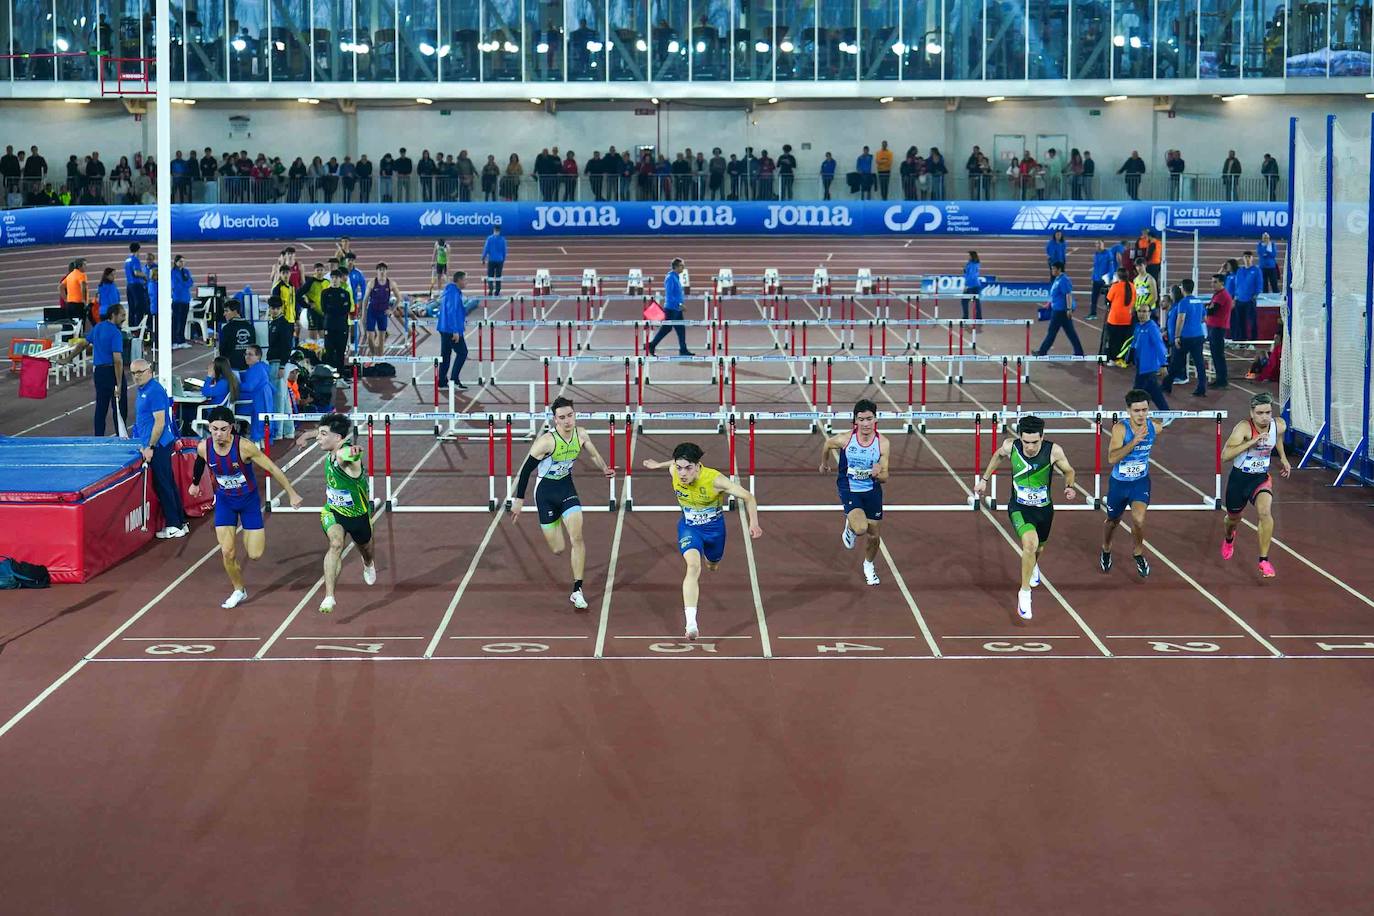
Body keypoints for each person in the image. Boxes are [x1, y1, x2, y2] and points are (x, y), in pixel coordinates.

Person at [642, 442, 762, 640]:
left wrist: (754, 523)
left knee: (712, 564)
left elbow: (749, 497)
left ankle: (712, 562)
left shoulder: (715, 480)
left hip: (715, 531)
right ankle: (691, 624)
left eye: (688, 468)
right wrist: (658, 465)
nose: (682, 473)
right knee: (693, 567)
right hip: (689, 528)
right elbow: (672, 464)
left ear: (698, 466)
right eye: (679, 468)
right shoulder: (674, 470)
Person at [189, 406, 302, 609]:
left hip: (248, 502)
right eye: (214, 429)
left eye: (223, 429)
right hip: (225, 501)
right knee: (227, 552)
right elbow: (200, 462)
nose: (218, 434)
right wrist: (195, 483)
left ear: (231, 428)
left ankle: (248, 533)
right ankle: (238, 589)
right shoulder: (203, 447)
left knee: (255, 554)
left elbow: (273, 468)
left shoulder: (245, 447)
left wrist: (291, 493)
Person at [508, 397, 616, 610]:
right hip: (545, 494)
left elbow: (593, 454)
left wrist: (604, 468)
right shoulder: (546, 442)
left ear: (575, 414)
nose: (567, 421)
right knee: (558, 548)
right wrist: (518, 501)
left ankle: (577, 590)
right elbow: (525, 471)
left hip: (566, 489)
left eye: (570, 416)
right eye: (562, 417)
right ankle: (555, 520)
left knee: (577, 537)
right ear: (554, 419)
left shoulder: (581, 434)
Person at [973, 415, 1077, 623]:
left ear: (1043, 437)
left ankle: (1033, 566)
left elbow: (1069, 470)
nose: (1029, 447)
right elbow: (998, 455)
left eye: (1034, 442)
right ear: (1019, 437)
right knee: (1030, 545)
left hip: (1044, 510)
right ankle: (1025, 593)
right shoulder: (1011, 446)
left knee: (1037, 550)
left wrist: (1069, 486)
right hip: (1019, 507)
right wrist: (984, 479)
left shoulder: (1053, 451)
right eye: (1025, 442)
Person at [1219, 393, 1291, 578]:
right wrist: (1252, 442)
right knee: (1232, 519)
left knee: (1265, 513)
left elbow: (1278, 438)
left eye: (1268, 412)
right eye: (1260, 413)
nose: (1265, 417)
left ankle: (1264, 560)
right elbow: (1225, 456)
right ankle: (1229, 538)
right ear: (1252, 413)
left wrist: (1283, 458)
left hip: (1260, 478)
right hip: (1239, 479)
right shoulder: (1243, 428)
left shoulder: (1278, 425)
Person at [819, 399, 889, 587]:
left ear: (875, 419)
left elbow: (885, 476)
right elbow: (827, 444)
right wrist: (824, 463)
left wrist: (878, 473)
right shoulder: (845, 439)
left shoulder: (882, 443)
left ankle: (868, 565)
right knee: (861, 529)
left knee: (874, 535)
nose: (866, 423)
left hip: (872, 490)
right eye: (861, 419)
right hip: (849, 488)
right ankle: (850, 526)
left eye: (869, 419)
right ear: (855, 421)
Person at [315, 413, 378, 613]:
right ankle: (329, 597)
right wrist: (307, 435)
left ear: (338, 438)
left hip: (358, 516)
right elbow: (323, 438)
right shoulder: (331, 445)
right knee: (335, 544)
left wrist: (354, 452)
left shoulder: (345, 456)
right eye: (319, 434)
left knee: (366, 549)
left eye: (323, 434)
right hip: (333, 511)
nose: (319, 438)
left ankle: (368, 564)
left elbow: (347, 455)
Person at [1100, 390, 1163, 578]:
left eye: (1144, 410)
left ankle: (1138, 553)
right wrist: (1134, 442)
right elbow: (1112, 458)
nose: (1141, 414)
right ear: (1128, 411)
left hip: (1140, 482)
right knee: (1113, 521)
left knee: (1139, 519)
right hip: (1119, 484)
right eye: (1137, 411)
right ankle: (1106, 548)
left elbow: (1162, 426)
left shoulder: (1154, 427)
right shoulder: (1120, 429)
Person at [129, 359, 188, 539]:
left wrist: (150, 447)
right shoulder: (144, 390)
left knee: (163, 484)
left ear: (150, 371)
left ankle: (174, 525)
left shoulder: (153, 391)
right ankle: (180, 522)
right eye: (133, 373)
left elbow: (160, 423)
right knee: (167, 482)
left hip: (158, 444)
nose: (136, 376)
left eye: (140, 372)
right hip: (157, 443)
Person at [1163, 279, 1208, 398]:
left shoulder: (1183, 302)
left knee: (1176, 362)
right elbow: (1204, 319)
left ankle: (1166, 385)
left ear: (1183, 288)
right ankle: (1202, 388)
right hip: (1198, 335)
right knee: (1199, 363)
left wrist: (1177, 336)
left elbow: (1180, 319)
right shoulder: (1199, 301)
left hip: (1186, 337)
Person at [436, 268, 479, 390]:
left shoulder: (449, 290)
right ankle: (454, 380)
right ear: (459, 280)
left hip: (444, 327)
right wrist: (455, 330)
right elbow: (451, 312)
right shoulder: (453, 293)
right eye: (465, 280)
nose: (467, 282)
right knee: (462, 352)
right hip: (450, 329)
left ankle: (442, 381)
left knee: (445, 355)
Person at [90, 303, 127, 436]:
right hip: (112, 373)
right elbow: (117, 359)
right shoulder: (115, 333)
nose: (124, 318)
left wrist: (68, 358)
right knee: (119, 407)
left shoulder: (98, 327)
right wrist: (119, 384)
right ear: (113, 315)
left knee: (101, 408)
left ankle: (98, 438)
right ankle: (121, 437)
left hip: (99, 373)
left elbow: (84, 343)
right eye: (122, 315)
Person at [1034, 262, 1084, 357]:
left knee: (1052, 331)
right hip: (1058, 309)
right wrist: (1049, 304)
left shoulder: (1064, 280)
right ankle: (1079, 352)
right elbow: (1055, 295)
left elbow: (1068, 295)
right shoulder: (1057, 279)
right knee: (1070, 332)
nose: (1052, 271)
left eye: (1054, 269)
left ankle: (1042, 351)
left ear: (1059, 269)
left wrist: (1069, 309)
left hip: (1061, 311)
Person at [647, 257, 694, 357]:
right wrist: (680, 305)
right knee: (666, 329)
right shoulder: (670, 278)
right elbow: (669, 295)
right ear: (676, 266)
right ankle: (652, 345)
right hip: (671, 309)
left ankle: (683, 349)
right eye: (682, 265)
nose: (683, 267)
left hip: (676, 309)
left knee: (680, 329)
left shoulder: (676, 276)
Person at [1130, 302, 1170, 410]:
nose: (1141, 314)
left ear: (1149, 313)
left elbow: (1160, 346)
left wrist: (1163, 364)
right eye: (1139, 311)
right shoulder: (1138, 327)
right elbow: (1135, 343)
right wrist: (1129, 357)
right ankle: (1166, 413)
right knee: (1154, 392)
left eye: (1144, 311)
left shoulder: (1152, 328)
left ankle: (1133, 415)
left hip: (1149, 366)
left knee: (1136, 393)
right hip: (1141, 366)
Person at [238, 345, 276, 443]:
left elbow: (249, 387)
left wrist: (235, 385)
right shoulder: (259, 367)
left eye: (250, 354)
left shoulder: (257, 369)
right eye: (246, 354)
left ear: (258, 356)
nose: (247, 357)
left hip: (257, 403)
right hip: (262, 401)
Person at [320, 268, 353, 376]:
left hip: (342, 327)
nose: (334, 280)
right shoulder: (325, 293)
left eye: (337, 278)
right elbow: (324, 309)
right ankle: (329, 376)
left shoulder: (345, 293)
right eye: (333, 278)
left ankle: (340, 375)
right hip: (329, 327)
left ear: (340, 279)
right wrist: (338, 309)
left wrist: (334, 309)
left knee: (340, 352)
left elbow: (346, 310)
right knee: (329, 352)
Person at [1102, 267, 1136, 367]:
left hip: (1114, 319)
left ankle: (1113, 359)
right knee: (1123, 341)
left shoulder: (1115, 287)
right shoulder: (1132, 286)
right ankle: (1122, 359)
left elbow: (1108, 300)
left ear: (1118, 276)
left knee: (1113, 341)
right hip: (1127, 319)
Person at [1205, 273, 1233, 389]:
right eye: (1212, 282)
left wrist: (1207, 308)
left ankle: (1222, 380)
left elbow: (1212, 311)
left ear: (1222, 282)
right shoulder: (1218, 294)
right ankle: (1220, 379)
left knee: (1218, 355)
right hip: (1214, 327)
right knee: (1216, 355)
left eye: (1215, 282)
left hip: (1217, 327)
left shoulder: (1222, 295)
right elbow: (1210, 308)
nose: (1212, 284)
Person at [363, 262, 394, 357]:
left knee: (381, 338)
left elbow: (399, 298)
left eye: (384, 270)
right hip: (372, 311)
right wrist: (364, 315)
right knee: (369, 338)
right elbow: (365, 300)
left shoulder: (391, 283)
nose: (382, 272)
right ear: (377, 271)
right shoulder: (372, 283)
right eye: (380, 270)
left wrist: (392, 310)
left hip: (383, 312)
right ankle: (373, 354)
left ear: (386, 271)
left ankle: (380, 357)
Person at [1231, 250, 1262, 343]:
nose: (1247, 259)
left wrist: (1256, 294)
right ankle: (1242, 340)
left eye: (1249, 257)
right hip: (1239, 299)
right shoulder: (1240, 270)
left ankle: (1253, 341)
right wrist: (1235, 296)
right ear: (1243, 259)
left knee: (1252, 321)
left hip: (1250, 300)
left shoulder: (1256, 270)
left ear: (1252, 258)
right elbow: (1236, 284)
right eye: (1245, 257)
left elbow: (1259, 283)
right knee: (1240, 321)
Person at [218, 298, 256, 371]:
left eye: (226, 311)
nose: (224, 314)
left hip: (232, 368)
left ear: (235, 311)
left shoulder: (227, 328)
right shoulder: (250, 326)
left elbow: (222, 350)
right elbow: (253, 346)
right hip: (248, 367)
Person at [169, 254, 193, 349]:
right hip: (177, 300)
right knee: (175, 321)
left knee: (183, 321)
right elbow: (175, 285)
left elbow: (191, 282)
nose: (182, 263)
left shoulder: (186, 271)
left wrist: (184, 284)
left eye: (184, 261)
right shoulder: (173, 272)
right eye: (180, 261)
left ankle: (181, 340)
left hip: (186, 299)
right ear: (176, 262)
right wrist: (185, 284)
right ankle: (173, 341)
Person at [60, 258, 91, 333]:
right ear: (80, 266)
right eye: (85, 265)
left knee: (72, 327)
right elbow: (83, 287)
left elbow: (60, 287)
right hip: (79, 304)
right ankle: (79, 342)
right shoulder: (82, 275)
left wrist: (65, 299)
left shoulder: (70, 275)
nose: (86, 267)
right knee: (80, 327)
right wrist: (84, 300)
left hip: (69, 305)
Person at [124, 242, 149, 332]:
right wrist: (145, 276)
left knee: (131, 308)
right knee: (139, 308)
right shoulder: (135, 260)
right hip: (136, 286)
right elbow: (136, 273)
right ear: (138, 250)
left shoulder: (127, 260)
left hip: (129, 286)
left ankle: (131, 329)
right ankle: (138, 329)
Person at [1088, 239, 1114, 320]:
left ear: (1103, 244)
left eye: (1100, 243)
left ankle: (1111, 315)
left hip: (1104, 280)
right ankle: (1093, 314)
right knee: (1094, 298)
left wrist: (1109, 278)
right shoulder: (1096, 254)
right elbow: (1095, 267)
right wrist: (1092, 277)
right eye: (1097, 243)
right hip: (1096, 279)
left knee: (1108, 299)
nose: (1098, 245)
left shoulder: (1108, 253)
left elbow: (1111, 267)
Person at [481, 225, 507, 296]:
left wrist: (483, 258)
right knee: (498, 276)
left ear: (494, 230)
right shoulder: (502, 239)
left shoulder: (489, 239)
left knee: (490, 276)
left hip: (491, 260)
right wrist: (504, 259)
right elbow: (504, 251)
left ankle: (491, 289)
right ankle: (497, 291)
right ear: (499, 231)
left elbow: (486, 249)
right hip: (499, 260)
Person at [961, 251, 983, 321]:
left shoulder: (971, 264)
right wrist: (965, 271)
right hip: (976, 285)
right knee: (976, 301)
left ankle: (966, 317)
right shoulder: (975, 263)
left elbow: (971, 276)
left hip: (972, 285)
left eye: (969, 255)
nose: (968, 257)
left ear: (972, 256)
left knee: (964, 301)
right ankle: (978, 317)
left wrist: (966, 286)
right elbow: (970, 274)